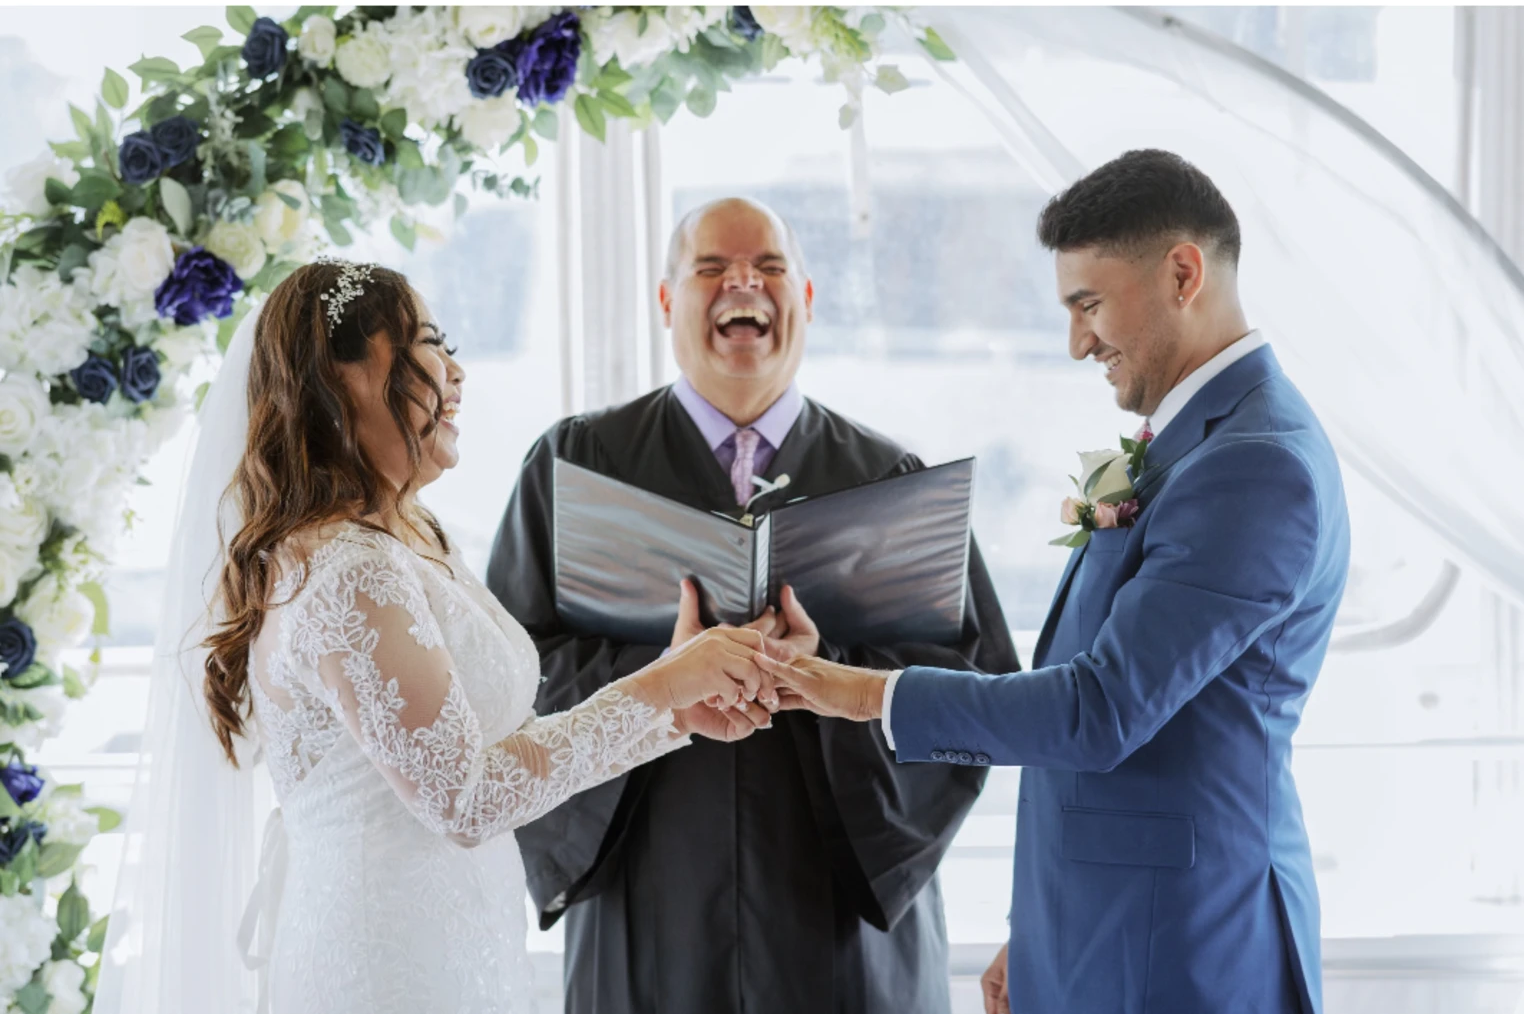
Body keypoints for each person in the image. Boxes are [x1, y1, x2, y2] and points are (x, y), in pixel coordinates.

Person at [757, 151, 1352, 1014]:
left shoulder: (1257, 465)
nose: (1078, 342)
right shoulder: (1196, 443)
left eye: (1089, 304)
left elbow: (1099, 709)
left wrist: (857, 692)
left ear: (1183, 273)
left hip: (1186, 944)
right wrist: (1042, 922)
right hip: (1114, 921)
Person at [153, 260, 773, 1014]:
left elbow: (498, 752)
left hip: (453, 942)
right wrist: (662, 684)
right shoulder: (349, 571)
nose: (456, 371)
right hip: (386, 967)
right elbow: (467, 800)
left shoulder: (411, 535)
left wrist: (670, 714)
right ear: (340, 377)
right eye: (428, 342)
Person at [489, 197, 1021, 1013]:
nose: (744, 283)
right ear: (667, 300)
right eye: (712, 267)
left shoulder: (889, 480)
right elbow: (504, 675)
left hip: (839, 925)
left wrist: (826, 673)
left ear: (806, 297)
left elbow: (973, 693)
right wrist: (666, 677)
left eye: (770, 267)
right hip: (651, 898)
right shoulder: (577, 462)